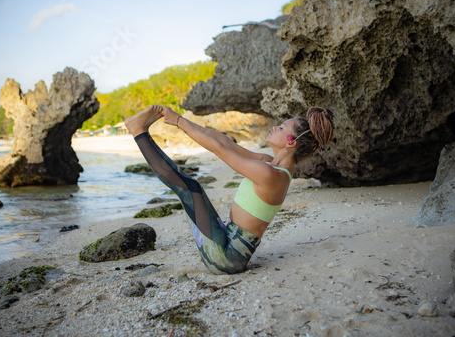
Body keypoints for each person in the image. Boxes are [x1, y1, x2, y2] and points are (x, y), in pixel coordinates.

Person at [125, 105, 334, 274]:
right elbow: (225, 141)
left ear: (291, 141)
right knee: (192, 187)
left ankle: (138, 131)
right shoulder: (270, 164)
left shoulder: (271, 175)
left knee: (192, 188)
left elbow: (220, 150)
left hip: (226, 258)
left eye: (280, 128)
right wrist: (179, 119)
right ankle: (140, 130)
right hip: (227, 237)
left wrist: (178, 122)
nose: (274, 127)